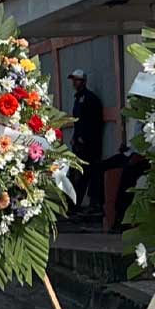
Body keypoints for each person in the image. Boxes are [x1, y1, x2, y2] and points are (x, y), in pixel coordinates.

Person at [67, 69, 104, 211]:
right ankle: (73, 205)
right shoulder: (77, 98)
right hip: (79, 144)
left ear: (83, 82)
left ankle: (88, 204)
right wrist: (75, 138)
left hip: (89, 145)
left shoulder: (89, 98)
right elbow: (78, 122)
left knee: (86, 174)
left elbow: (92, 122)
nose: (74, 83)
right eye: (73, 80)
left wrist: (84, 139)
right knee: (77, 174)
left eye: (77, 80)